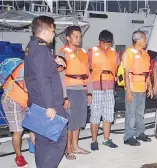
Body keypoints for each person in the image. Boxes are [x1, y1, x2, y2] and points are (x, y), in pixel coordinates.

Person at [24, 15, 66, 168]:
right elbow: (43, 79)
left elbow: (35, 72)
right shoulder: (41, 49)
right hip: (49, 103)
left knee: (42, 141)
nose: (54, 35)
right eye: (53, 31)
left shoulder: (31, 46)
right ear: (47, 30)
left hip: (37, 101)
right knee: (59, 139)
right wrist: (50, 105)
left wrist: (53, 60)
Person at [57, 26, 92, 160]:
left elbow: (88, 73)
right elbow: (60, 76)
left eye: (80, 36)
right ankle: (68, 149)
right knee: (70, 123)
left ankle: (76, 146)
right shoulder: (63, 52)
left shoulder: (83, 53)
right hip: (70, 90)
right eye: (76, 36)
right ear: (68, 38)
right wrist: (65, 96)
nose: (78, 39)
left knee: (78, 120)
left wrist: (89, 92)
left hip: (82, 90)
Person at [88, 30, 120, 150]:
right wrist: (89, 90)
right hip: (96, 87)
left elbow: (116, 69)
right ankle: (94, 140)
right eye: (103, 43)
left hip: (110, 87)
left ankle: (106, 139)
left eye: (108, 43)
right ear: (99, 41)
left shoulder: (115, 53)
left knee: (108, 114)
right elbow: (87, 70)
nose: (106, 45)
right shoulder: (91, 52)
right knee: (95, 115)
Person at [1, 60, 35, 167]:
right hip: (13, 98)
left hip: (23, 99)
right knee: (18, 130)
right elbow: (27, 87)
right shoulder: (28, 65)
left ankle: (33, 148)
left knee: (32, 126)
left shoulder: (30, 64)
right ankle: (19, 157)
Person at [122, 30, 153, 146]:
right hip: (132, 88)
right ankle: (128, 136)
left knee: (140, 113)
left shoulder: (145, 54)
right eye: (144, 39)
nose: (146, 41)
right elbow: (126, 74)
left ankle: (140, 133)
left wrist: (149, 86)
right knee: (131, 114)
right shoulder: (128, 53)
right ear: (138, 40)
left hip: (142, 88)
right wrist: (128, 92)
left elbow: (147, 73)